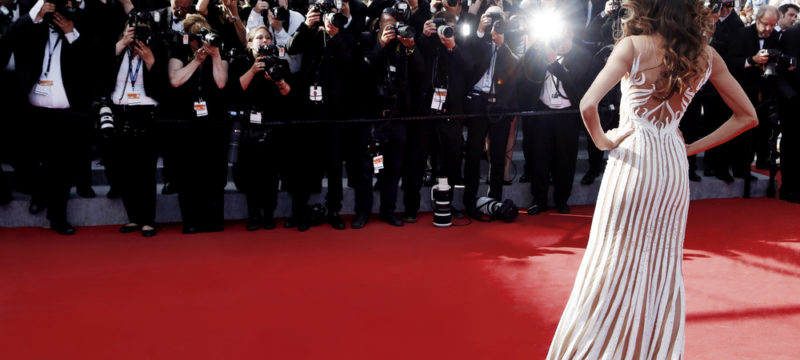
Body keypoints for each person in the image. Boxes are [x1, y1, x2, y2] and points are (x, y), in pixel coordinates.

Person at [546, 1, 757, 358]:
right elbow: (748, 116)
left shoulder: (632, 45)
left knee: (612, 257)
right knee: (662, 262)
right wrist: (689, 149)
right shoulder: (706, 55)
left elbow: (587, 105)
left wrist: (603, 140)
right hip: (671, 162)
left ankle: (595, 350)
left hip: (634, 158)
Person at [162, 14, 229, 234]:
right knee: (188, 174)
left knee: (214, 173)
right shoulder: (179, 53)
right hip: (186, 122)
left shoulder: (219, 52)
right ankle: (191, 221)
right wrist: (196, 61)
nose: (200, 42)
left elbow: (221, 83)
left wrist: (215, 56)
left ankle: (214, 220)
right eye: (195, 36)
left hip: (214, 122)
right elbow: (175, 80)